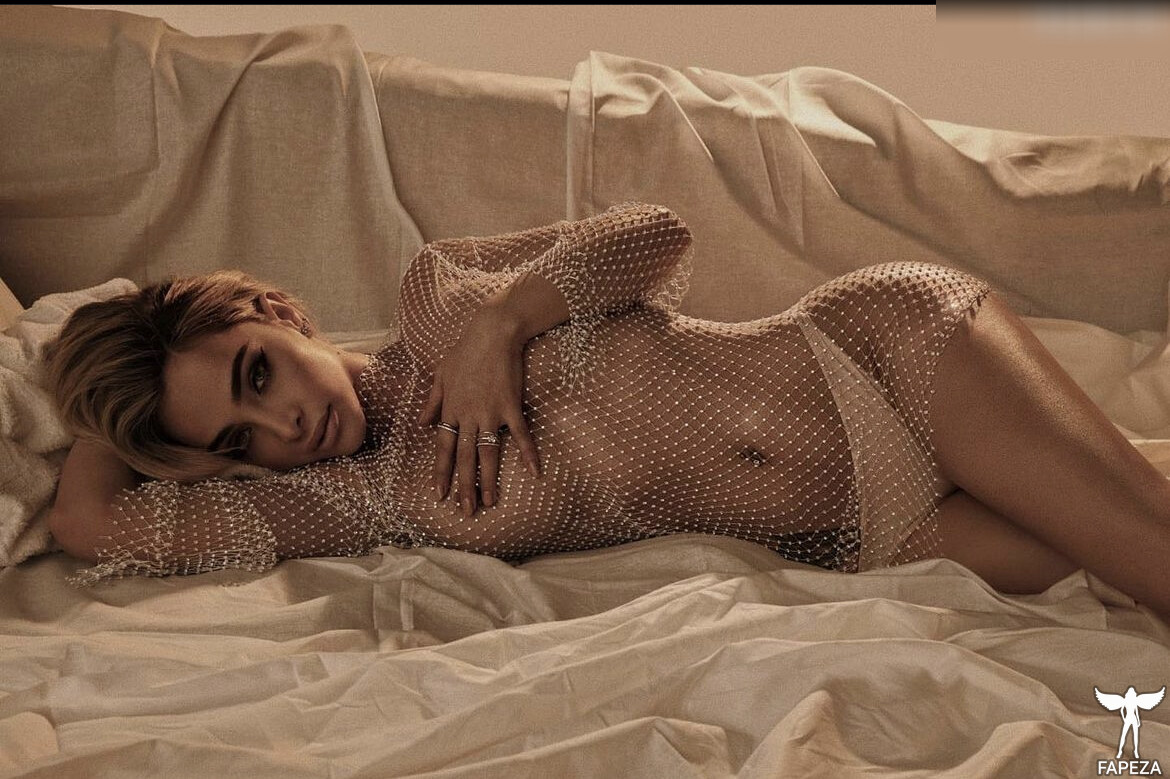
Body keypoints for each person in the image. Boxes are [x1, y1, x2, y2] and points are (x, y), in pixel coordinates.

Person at [43, 202, 1170, 622]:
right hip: (873, 531)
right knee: (1132, 543)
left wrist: (501, 328)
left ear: (280, 313)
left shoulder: (439, 296)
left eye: (256, 375)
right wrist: (104, 395)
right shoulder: (357, 500)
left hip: (876, 360)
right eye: (237, 439)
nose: (281, 427)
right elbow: (93, 526)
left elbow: (657, 232)